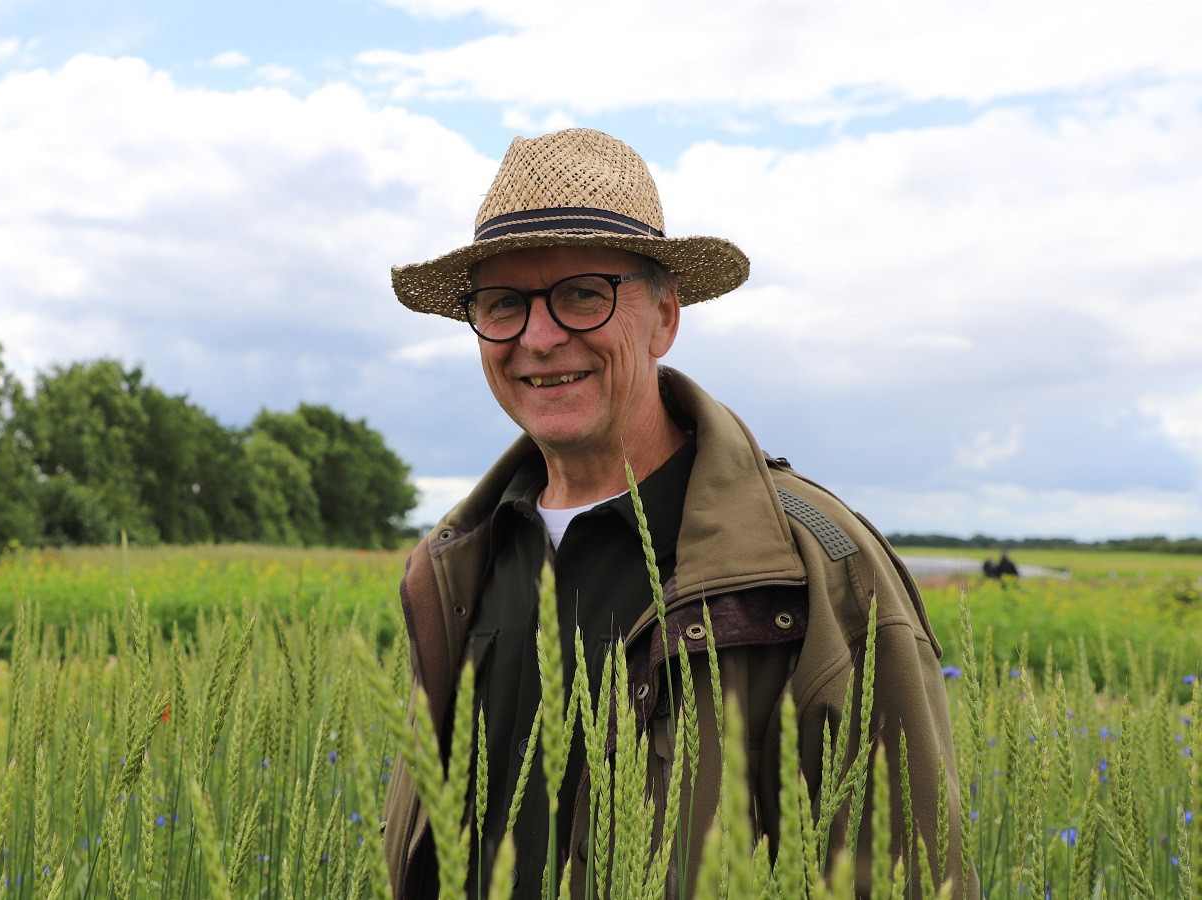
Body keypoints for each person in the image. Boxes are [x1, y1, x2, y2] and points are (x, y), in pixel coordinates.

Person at [381, 128, 968, 896]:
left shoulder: (818, 568)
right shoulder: (456, 562)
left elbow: (909, 873)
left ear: (664, 318)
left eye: (583, 295)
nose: (540, 337)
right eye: (503, 305)